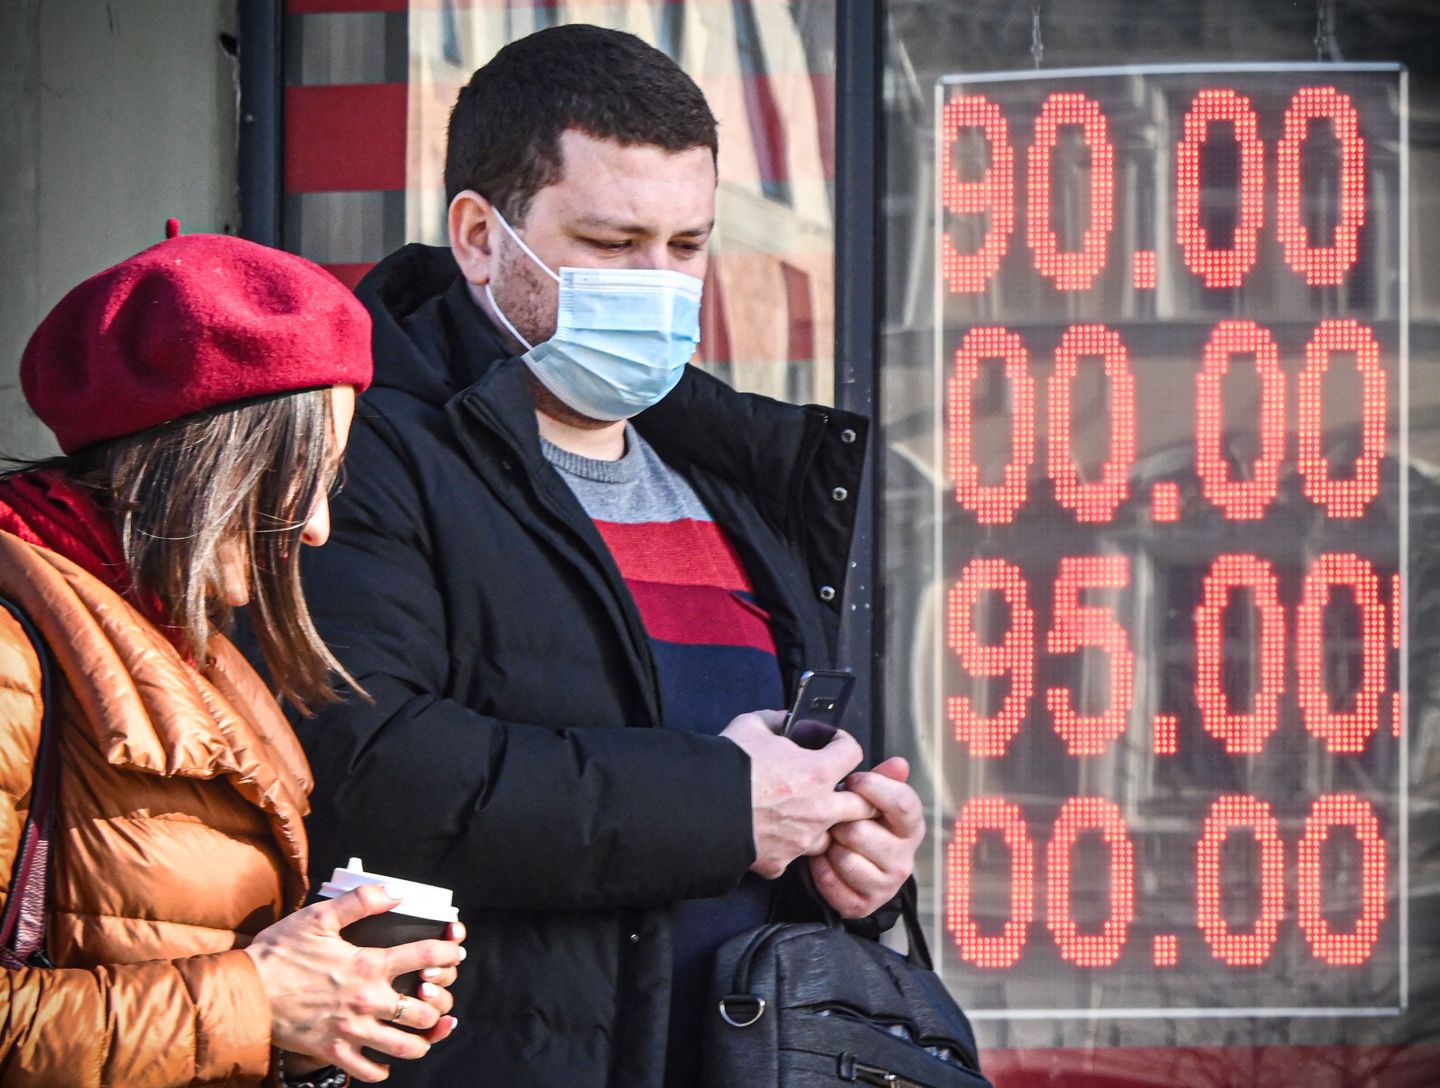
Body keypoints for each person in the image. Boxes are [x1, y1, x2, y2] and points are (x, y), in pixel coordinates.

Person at [284, 24, 925, 1087]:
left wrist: (849, 865)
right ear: (481, 237)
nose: (661, 284)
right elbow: (368, 768)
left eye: (686, 246)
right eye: (614, 243)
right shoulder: (366, 451)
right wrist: (724, 804)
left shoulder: (735, 477)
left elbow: (759, 805)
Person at [0, 229, 467, 1088]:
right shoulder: (16, 649)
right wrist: (259, 997)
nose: (318, 528)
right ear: (209, 460)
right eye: (303, 477)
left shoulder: (178, 639)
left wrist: (321, 998)